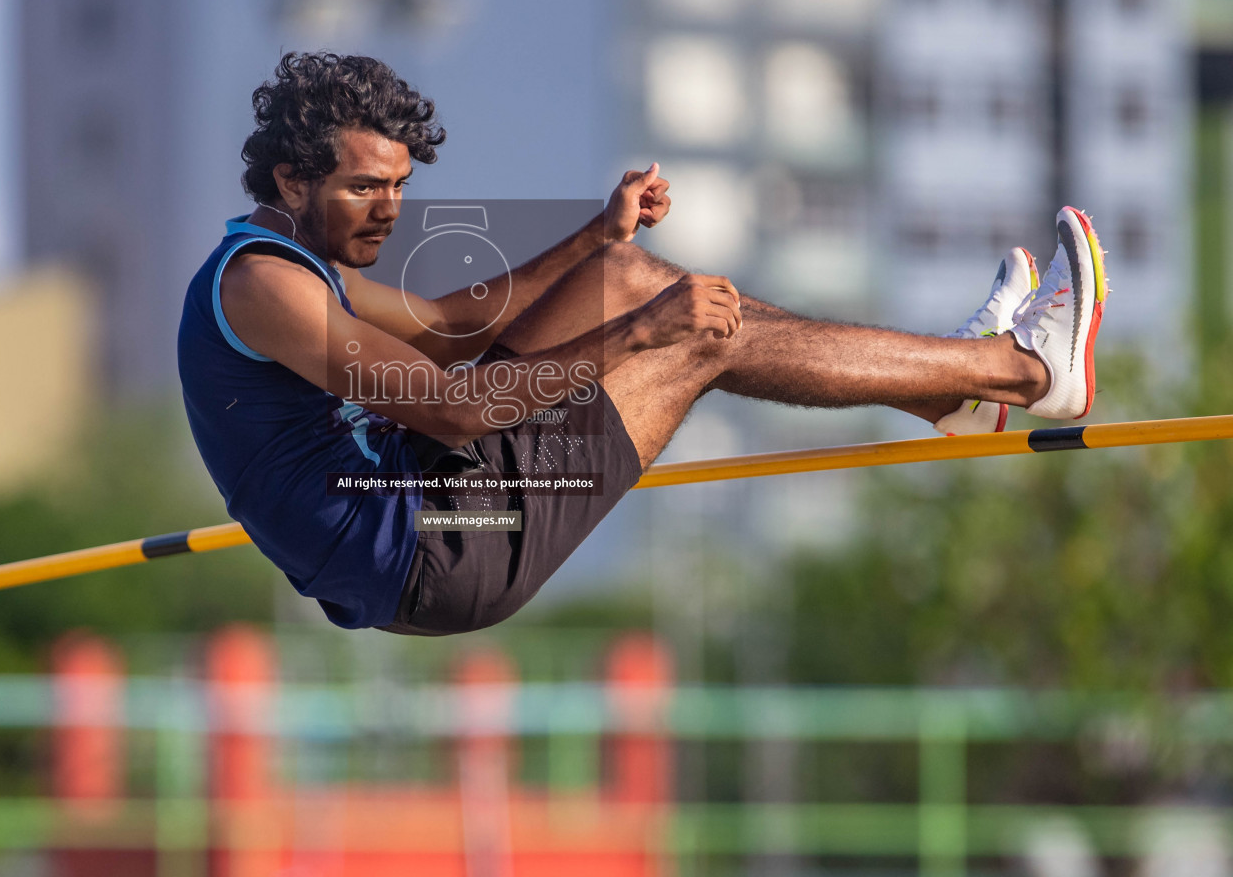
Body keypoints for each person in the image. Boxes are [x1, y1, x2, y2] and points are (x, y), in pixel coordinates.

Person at [178, 52, 1108, 636]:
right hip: (434, 549)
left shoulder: (300, 266)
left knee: (628, 274)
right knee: (680, 336)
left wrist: (594, 235)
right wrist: (638, 334)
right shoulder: (263, 286)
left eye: (399, 186)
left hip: (426, 500)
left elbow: (451, 330)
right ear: (292, 177)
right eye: (364, 188)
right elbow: (458, 407)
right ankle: (1020, 369)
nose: (388, 211)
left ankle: (946, 391)